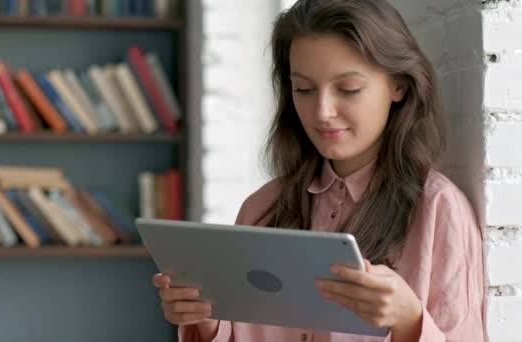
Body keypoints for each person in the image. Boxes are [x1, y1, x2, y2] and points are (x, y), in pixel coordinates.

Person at [153, 0, 485, 341]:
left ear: (398, 85)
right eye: (304, 89)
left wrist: (408, 319)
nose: (322, 111)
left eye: (348, 89)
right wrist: (205, 319)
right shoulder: (261, 210)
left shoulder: (439, 211)